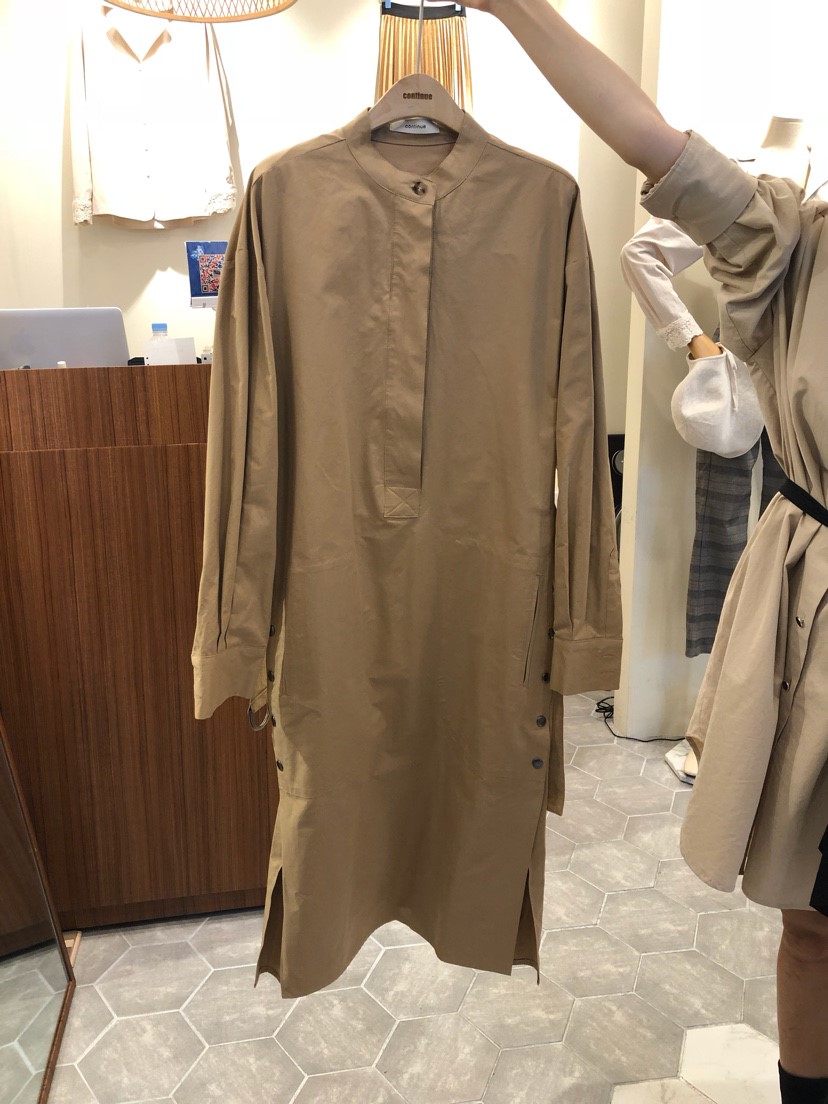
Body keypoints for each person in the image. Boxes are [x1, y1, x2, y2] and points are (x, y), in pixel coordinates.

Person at [461, 1, 828, 1101]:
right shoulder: (798, 242)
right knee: (812, 917)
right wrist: (516, 7)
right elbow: (652, 144)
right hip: (819, 611)